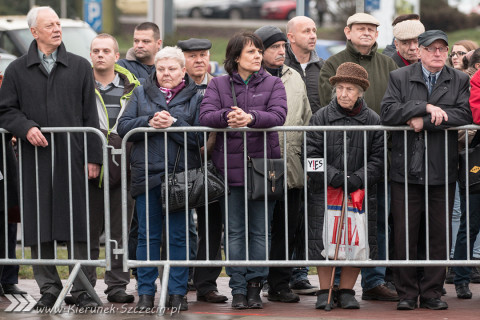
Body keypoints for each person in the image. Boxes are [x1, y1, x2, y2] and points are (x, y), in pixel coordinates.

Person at [0, 6, 102, 309]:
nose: (57, 29)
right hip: (35, 160)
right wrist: (26, 127)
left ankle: (83, 289)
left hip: (74, 156)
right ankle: (48, 288)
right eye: (50, 25)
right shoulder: (17, 69)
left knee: (79, 225)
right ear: (34, 32)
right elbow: (6, 110)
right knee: (38, 222)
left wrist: (93, 157)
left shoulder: (81, 66)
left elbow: (90, 116)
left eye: (58, 23)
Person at [381, 30, 472, 310]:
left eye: (443, 49)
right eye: (432, 48)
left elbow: (464, 114)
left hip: (442, 169)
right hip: (405, 169)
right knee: (404, 234)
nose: (438, 53)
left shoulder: (459, 79)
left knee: (438, 234)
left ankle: (432, 292)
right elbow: (387, 112)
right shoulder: (399, 77)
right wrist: (424, 107)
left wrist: (425, 121)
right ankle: (407, 293)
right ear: (418, 51)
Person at [199, 32, 287, 309]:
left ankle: (254, 286)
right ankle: (238, 287)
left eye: (259, 51)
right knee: (235, 231)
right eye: (251, 52)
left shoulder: (274, 83)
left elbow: (279, 115)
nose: (258, 56)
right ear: (236, 57)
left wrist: (252, 118)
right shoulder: (218, 84)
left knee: (261, 231)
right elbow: (205, 115)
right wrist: (228, 116)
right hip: (230, 170)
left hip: (264, 169)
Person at [318, 12, 398, 302]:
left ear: (377, 34)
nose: (366, 33)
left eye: (371, 29)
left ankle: (374, 280)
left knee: (374, 223)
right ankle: (335, 286)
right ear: (347, 31)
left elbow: (393, 104)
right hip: (336, 162)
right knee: (333, 226)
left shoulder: (388, 64)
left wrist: (369, 167)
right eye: (360, 28)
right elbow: (328, 103)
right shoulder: (332, 63)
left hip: (373, 161)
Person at [117, 46, 203, 312]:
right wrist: (149, 121)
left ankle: (177, 293)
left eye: (172, 69)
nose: (166, 74)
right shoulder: (141, 92)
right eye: (161, 68)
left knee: (179, 237)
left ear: (183, 71)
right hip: (147, 175)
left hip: (181, 177)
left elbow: (200, 136)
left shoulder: (197, 96)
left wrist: (173, 123)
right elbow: (123, 127)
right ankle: (145, 292)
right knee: (147, 237)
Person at [307, 62, 383, 309]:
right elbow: (311, 156)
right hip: (326, 190)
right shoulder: (320, 118)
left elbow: (378, 159)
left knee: (357, 238)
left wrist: (358, 178)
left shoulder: (373, 120)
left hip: (359, 192)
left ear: (360, 91)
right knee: (324, 238)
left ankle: (348, 290)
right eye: (340, 88)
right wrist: (333, 176)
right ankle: (325, 290)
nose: (344, 94)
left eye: (350, 88)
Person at [253, 25, 312, 303]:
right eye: (273, 47)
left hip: (292, 166)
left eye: (281, 47)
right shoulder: (249, 79)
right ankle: (253, 282)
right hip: (259, 166)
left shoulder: (295, 78)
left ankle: (279, 283)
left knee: (286, 228)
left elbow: (307, 120)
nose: (280, 51)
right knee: (258, 228)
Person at [84, 33, 140, 304]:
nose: (100, 54)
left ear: (117, 56)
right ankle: (83, 287)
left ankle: (117, 285)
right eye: (95, 50)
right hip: (89, 168)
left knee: (119, 231)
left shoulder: (134, 87)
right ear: (90, 55)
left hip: (124, 169)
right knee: (87, 231)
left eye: (106, 50)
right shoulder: (81, 86)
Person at [176, 38, 228, 304]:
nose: (198, 60)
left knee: (211, 226)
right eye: (192, 55)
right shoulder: (174, 85)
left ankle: (207, 284)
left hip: (212, 166)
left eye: (203, 55)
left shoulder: (220, 85)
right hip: (180, 164)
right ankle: (178, 282)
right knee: (178, 226)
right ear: (182, 59)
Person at [117, 21, 162, 286]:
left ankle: (179, 276)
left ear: (158, 43)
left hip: (166, 159)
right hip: (136, 155)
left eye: (145, 41)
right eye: (136, 40)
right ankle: (139, 275)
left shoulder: (167, 66)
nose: (139, 45)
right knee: (138, 222)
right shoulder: (124, 68)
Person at [284, 15, 323, 295]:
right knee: (287, 213)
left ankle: (300, 272)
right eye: (305, 30)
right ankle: (280, 274)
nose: (312, 35)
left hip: (317, 149)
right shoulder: (280, 67)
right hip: (287, 149)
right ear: (290, 37)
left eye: (314, 30)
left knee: (309, 212)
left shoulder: (323, 68)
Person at [451, 48, 480, 299]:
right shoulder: (475, 81)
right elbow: (476, 113)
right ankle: (461, 278)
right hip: (475, 166)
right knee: (468, 225)